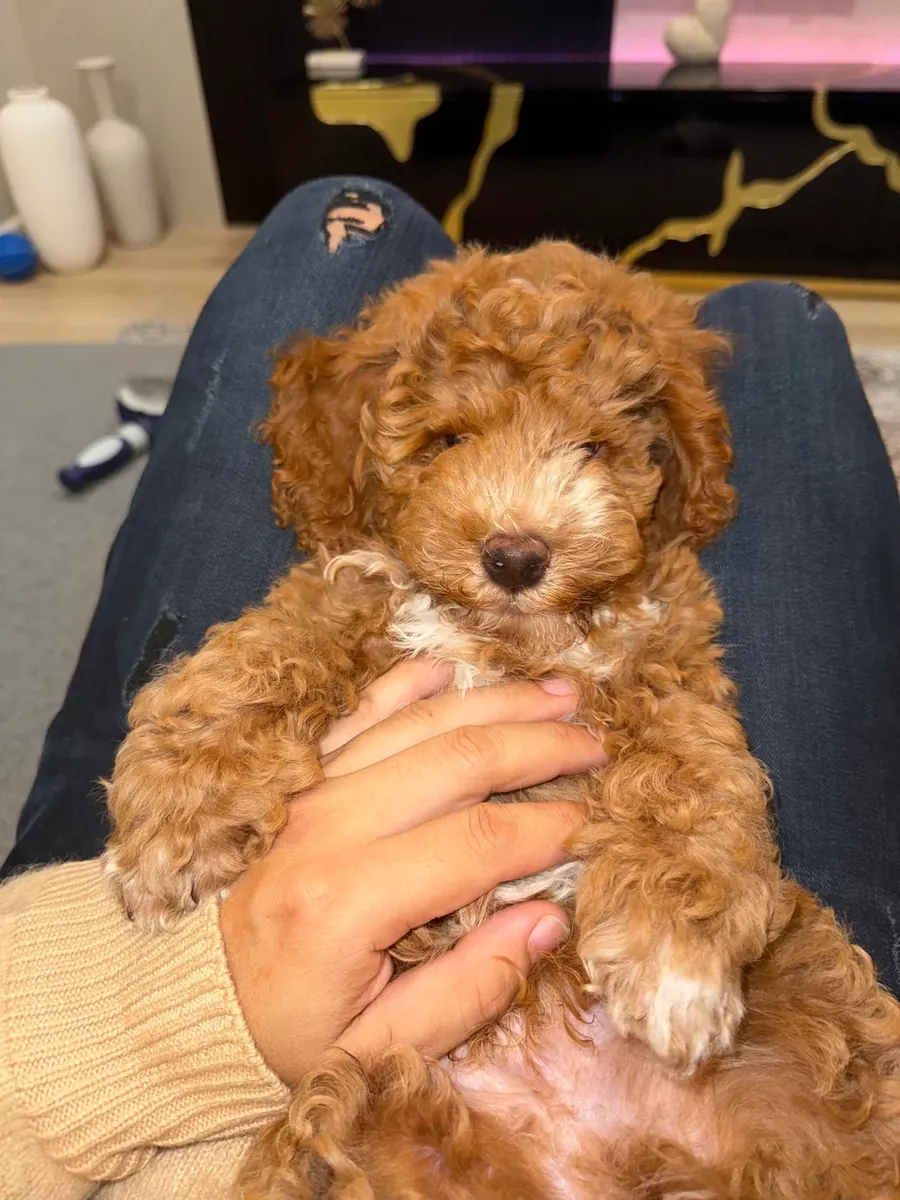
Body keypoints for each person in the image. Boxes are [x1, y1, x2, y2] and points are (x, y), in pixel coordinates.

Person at [0, 178, 898, 1197]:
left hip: (429, 1064)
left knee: (338, 218)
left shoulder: (624, 601)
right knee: (784, 323)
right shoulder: (367, 579)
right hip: (499, 1077)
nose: (520, 515)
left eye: (593, 447)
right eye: (448, 439)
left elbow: (675, 721)